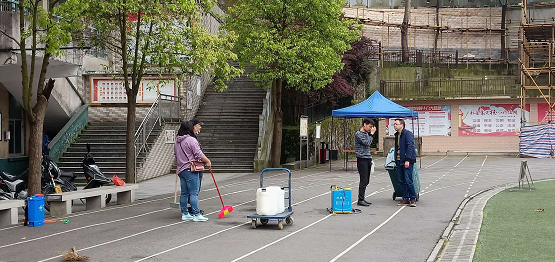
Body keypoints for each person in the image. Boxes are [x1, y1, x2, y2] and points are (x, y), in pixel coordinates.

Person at [174, 121, 211, 222]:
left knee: (184, 193)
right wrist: (207, 161)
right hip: (191, 169)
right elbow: (198, 154)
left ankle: (185, 213)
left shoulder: (177, 141)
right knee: (193, 193)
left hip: (181, 170)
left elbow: (176, 155)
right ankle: (196, 214)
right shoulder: (191, 140)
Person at [393, 119, 417, 207]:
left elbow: (411, 146)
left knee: (408, 180)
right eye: (394, 124)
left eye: (396, 124)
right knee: (401, 180)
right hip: (399, 160)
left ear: (402, 125)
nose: (394, 125)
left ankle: (413, 198)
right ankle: (405, 198)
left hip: (407, 160)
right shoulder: (397, 135)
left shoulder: (407, 134)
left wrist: (408, 159)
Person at [354, 118, 376, 206]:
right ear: (364, 124)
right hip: (361, 158)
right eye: (369, 126)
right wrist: (372, 134)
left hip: (367, 158)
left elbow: (368, 142)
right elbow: (367, 143)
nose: (370, 128)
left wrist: (370, 134)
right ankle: (360, 199)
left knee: (367, 180)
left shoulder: (366, 134)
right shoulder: (358, 134)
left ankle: (362, 198)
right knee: (363, 180)